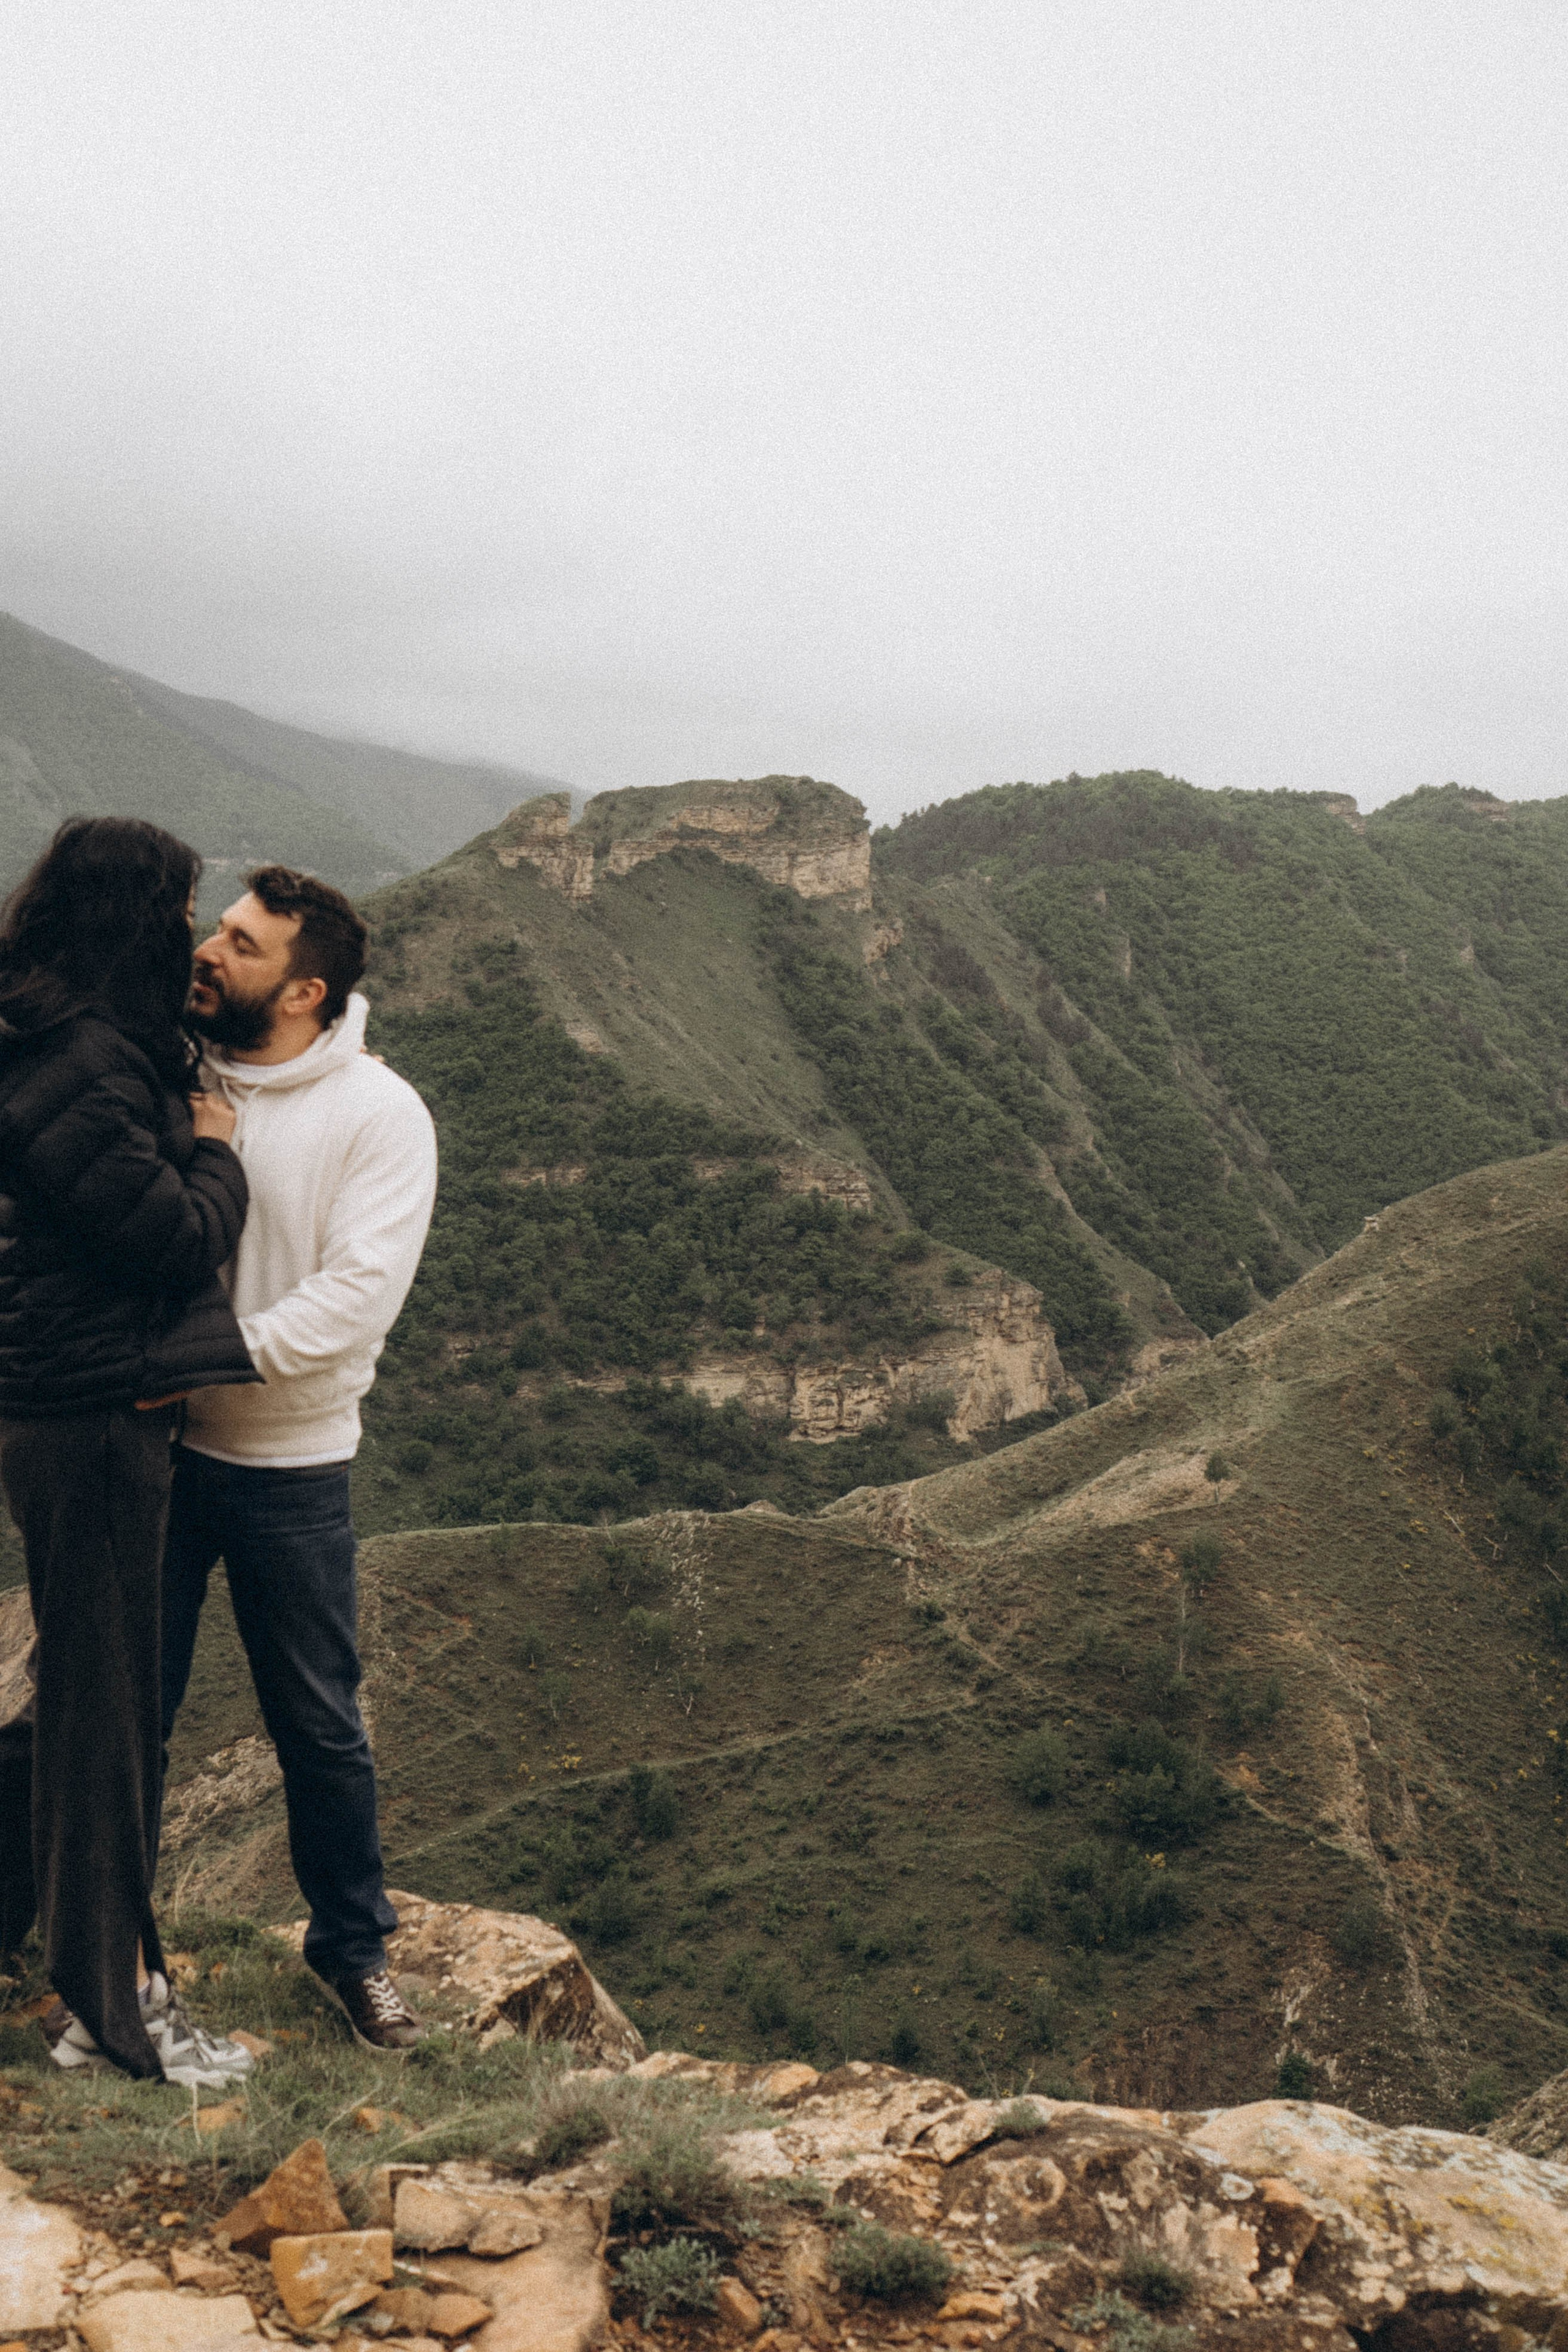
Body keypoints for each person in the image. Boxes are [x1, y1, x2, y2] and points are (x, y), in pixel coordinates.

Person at [0, 816, 260, 2086]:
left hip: (81, 1401)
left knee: (95, 1701)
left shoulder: (64, 1039)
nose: (188, 933)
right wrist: (217, 1150)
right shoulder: (83, 1064)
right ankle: (108, 2017)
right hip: (96, 1411)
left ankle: (94, 1979)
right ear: (131, 918)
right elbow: (167, 1238)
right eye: (179, 909)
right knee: (105, 1717)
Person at [160, 865, 437, 2051]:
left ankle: (353, 1952)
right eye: (219, 928)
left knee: (318, 1724)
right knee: (119, 1706)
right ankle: (69, 1931)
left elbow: (356, 1299)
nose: (210, 951)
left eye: (241, 942)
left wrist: (204, 1364)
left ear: (305, 987)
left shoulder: (378, 1115)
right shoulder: (179, 1069)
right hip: (153, 1451)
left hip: (289, 1465)